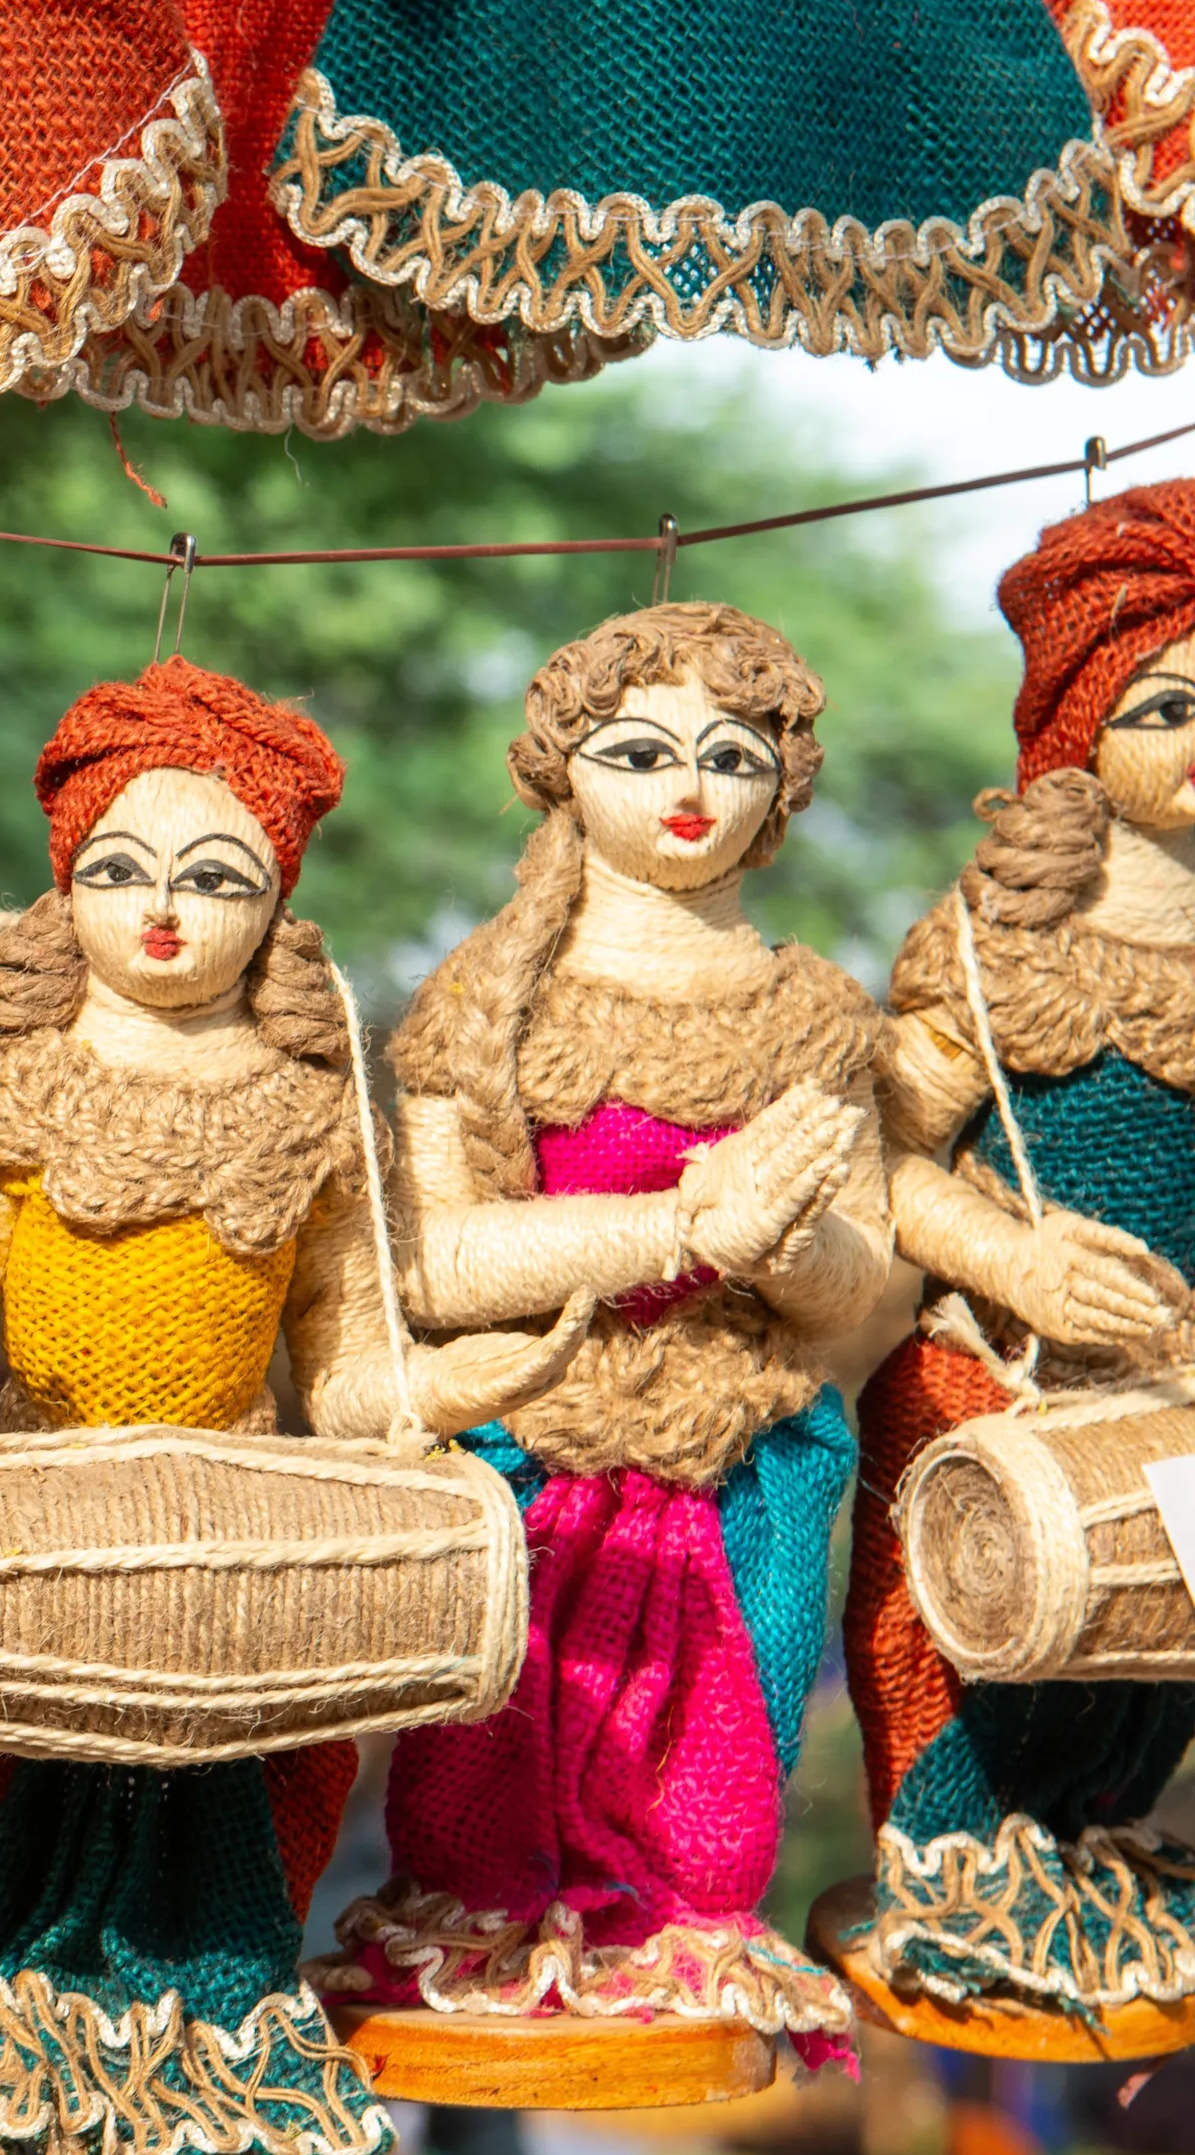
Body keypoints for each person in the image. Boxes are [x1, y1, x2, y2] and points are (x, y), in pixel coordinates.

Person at [0, 660, 573, 2155]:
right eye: (121, 869)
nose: (164, 908)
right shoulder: (0, 1083)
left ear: (279, 900)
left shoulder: (316, 1107)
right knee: (19, 1806)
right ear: (62, 888)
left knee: (221, 1829)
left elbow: (347, 1371)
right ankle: (14, 2056)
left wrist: (444, 1391)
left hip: (234, 1550)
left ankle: (199, 2066)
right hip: (42, 1535)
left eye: (215, 877)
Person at [321, 604, 886, 2068]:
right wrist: (684, 1230)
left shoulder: (817, 1012)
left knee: (717, 1785)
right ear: (561, 774)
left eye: (732, 755)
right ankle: (485, 1949)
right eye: (640, 753)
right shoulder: (486, 1001)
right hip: (532, 1435)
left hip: (747, 1459)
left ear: (783, 790)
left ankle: (681, 1948)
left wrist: (785, 1243)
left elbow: (857, 1286)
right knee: (486, 1762)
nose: (688, 787)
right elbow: (436, 1264)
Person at [844, 478, 1195, 2027]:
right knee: (991, 1627)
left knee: (1155, 1653)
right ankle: (958, 1863)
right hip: (1004, 1378)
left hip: (1172, 1401)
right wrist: (1013, 1260)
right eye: (1168, 707)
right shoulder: (999, 945)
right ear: (1079, 736)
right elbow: (878, 1152)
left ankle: (1095, 1846)